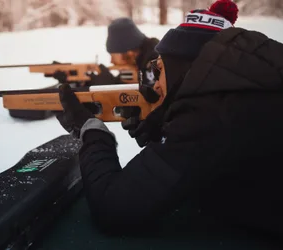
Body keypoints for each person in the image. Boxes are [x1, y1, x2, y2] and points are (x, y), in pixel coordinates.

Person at [54, 0, 283, 238]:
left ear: (181, 65)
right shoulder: (245, 89)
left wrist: (92, 132)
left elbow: (114, 208)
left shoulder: (210, 114)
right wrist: (165, 128)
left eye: (158, 69)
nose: (153, 82)